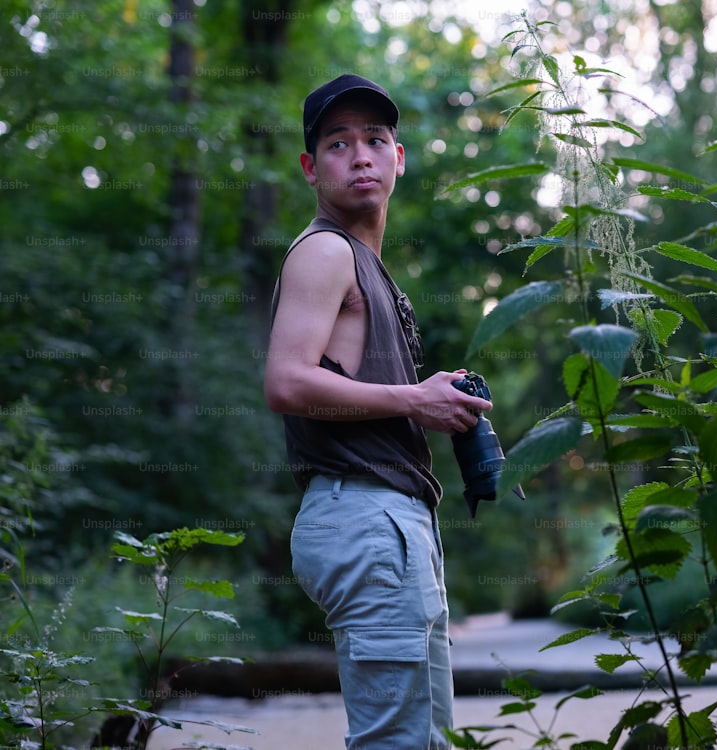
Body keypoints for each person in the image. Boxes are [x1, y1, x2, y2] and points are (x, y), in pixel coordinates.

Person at [263, 73, 491, 749]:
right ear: (310, 168)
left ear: (398, 157)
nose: (359, 154)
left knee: (426, 739)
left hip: (391, 520)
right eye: (338, 143)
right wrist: (413, 399)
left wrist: (430, 391)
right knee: (397, 742)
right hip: (363, 516)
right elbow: (285, 382)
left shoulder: (367, 266)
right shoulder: (326, 252)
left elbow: (350, 382)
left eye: (375, 139)